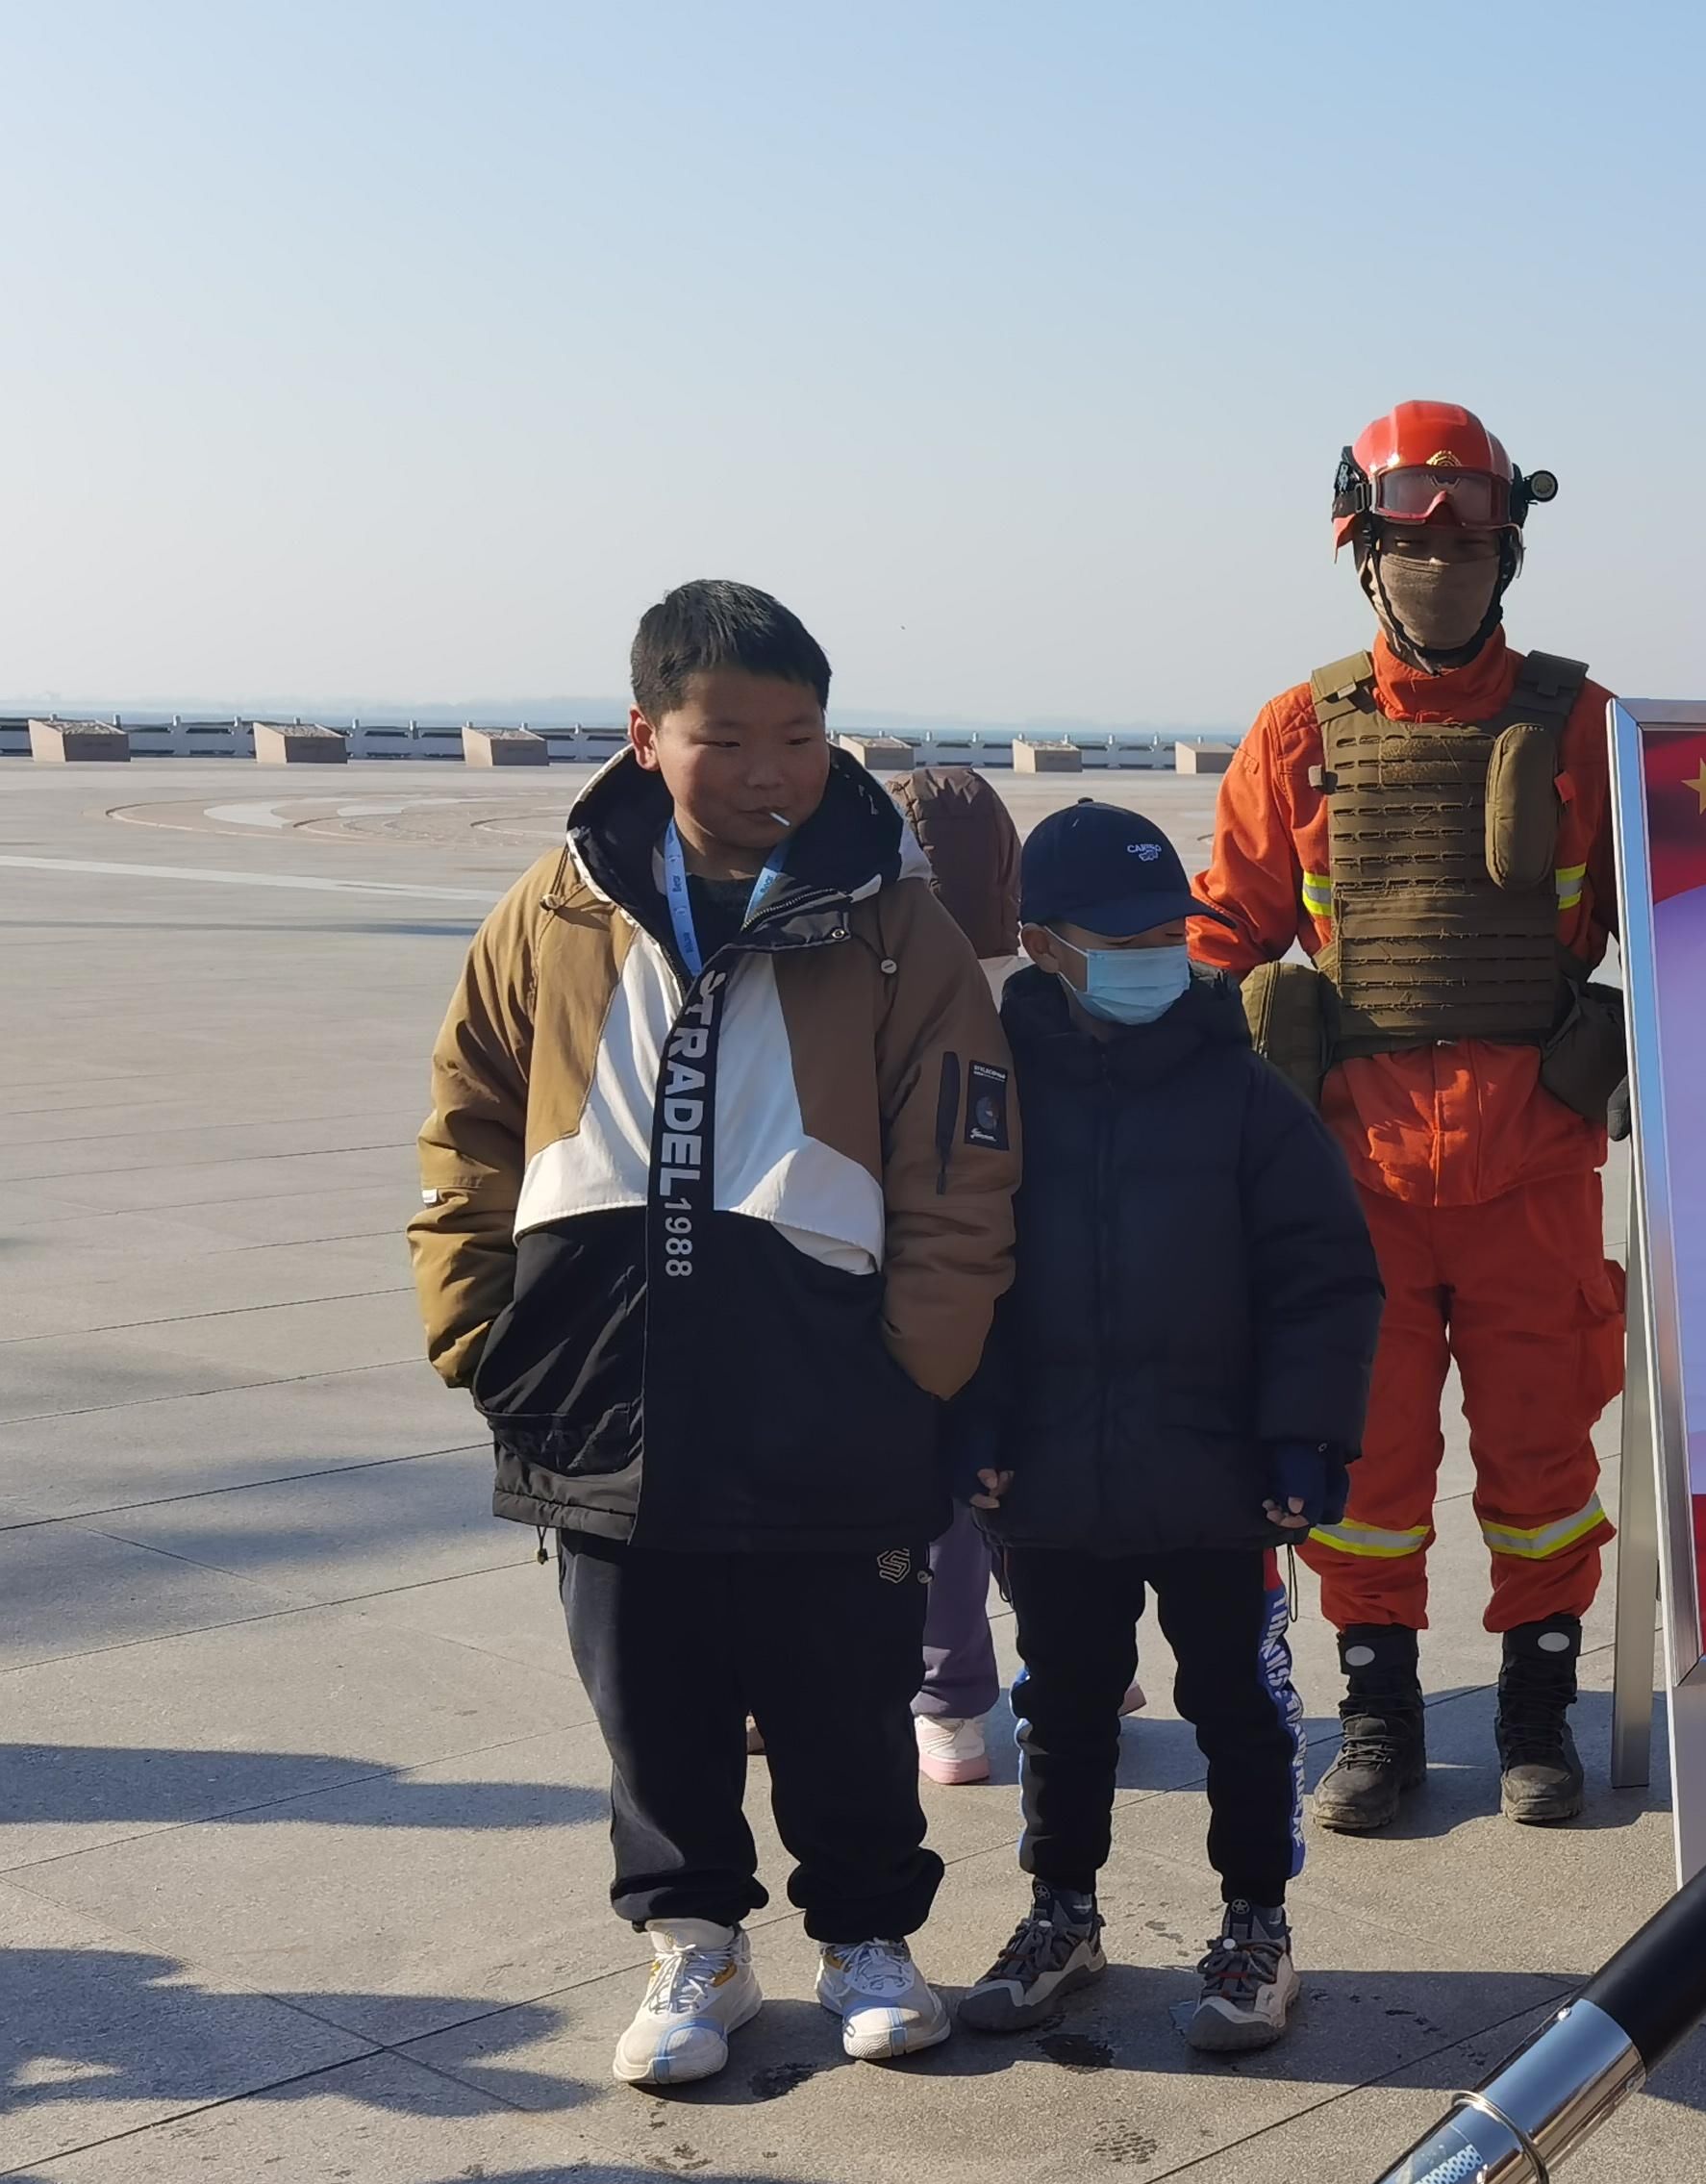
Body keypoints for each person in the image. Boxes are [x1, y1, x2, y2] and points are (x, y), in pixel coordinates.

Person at [412, 580, 1016, 2087]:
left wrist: (923, 1356)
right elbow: (470, 1122)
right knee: (649, 1694)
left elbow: (964, 1155)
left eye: (800, 736)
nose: (769, 771)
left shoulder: (894, 920)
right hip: (604, 1384)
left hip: (835, 1385)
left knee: (845, 1693)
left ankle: (868, 1939)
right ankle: (696, 1947)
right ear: (645, 735)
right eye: (726, 736)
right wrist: (481, 1329)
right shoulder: (550, 914)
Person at [1192, 400, 1626, 1833]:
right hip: (1350, 1173)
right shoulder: (1294, 733)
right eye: (1405, 540)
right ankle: (1376, 1711)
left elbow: (1693, 915)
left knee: (1545, 1453)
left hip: (1536, 1164)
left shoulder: (1588, 728)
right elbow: (1223, 937)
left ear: (1509, 549)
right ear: (1360, 553)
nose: (1439, 565)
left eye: (1468, 539)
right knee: (1364, 1463)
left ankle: (1535, 1711)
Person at [946, 805, 1382, 2053]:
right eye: (1120, 936)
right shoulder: (993, 1094)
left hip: (1217, 1477)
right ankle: (1062, 1914)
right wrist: (972, 1430)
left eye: (1166, 931)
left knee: (1236, 1706)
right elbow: (959, 1271)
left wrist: (1306, 1441)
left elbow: (1326, 1277)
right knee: (1067, 1708)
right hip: (1052, 1478)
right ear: (1041, 942)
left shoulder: (1241, 1095)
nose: (1156, 954)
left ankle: (1258, 1929)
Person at [887, 764, 1030, 1786]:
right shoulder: (1040, 985)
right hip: (1031, 1272)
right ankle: (1083, 1661)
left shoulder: (893, 982)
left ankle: (952, 1705)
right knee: (1024, 1483)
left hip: (930, 1270)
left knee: (938, 1498)